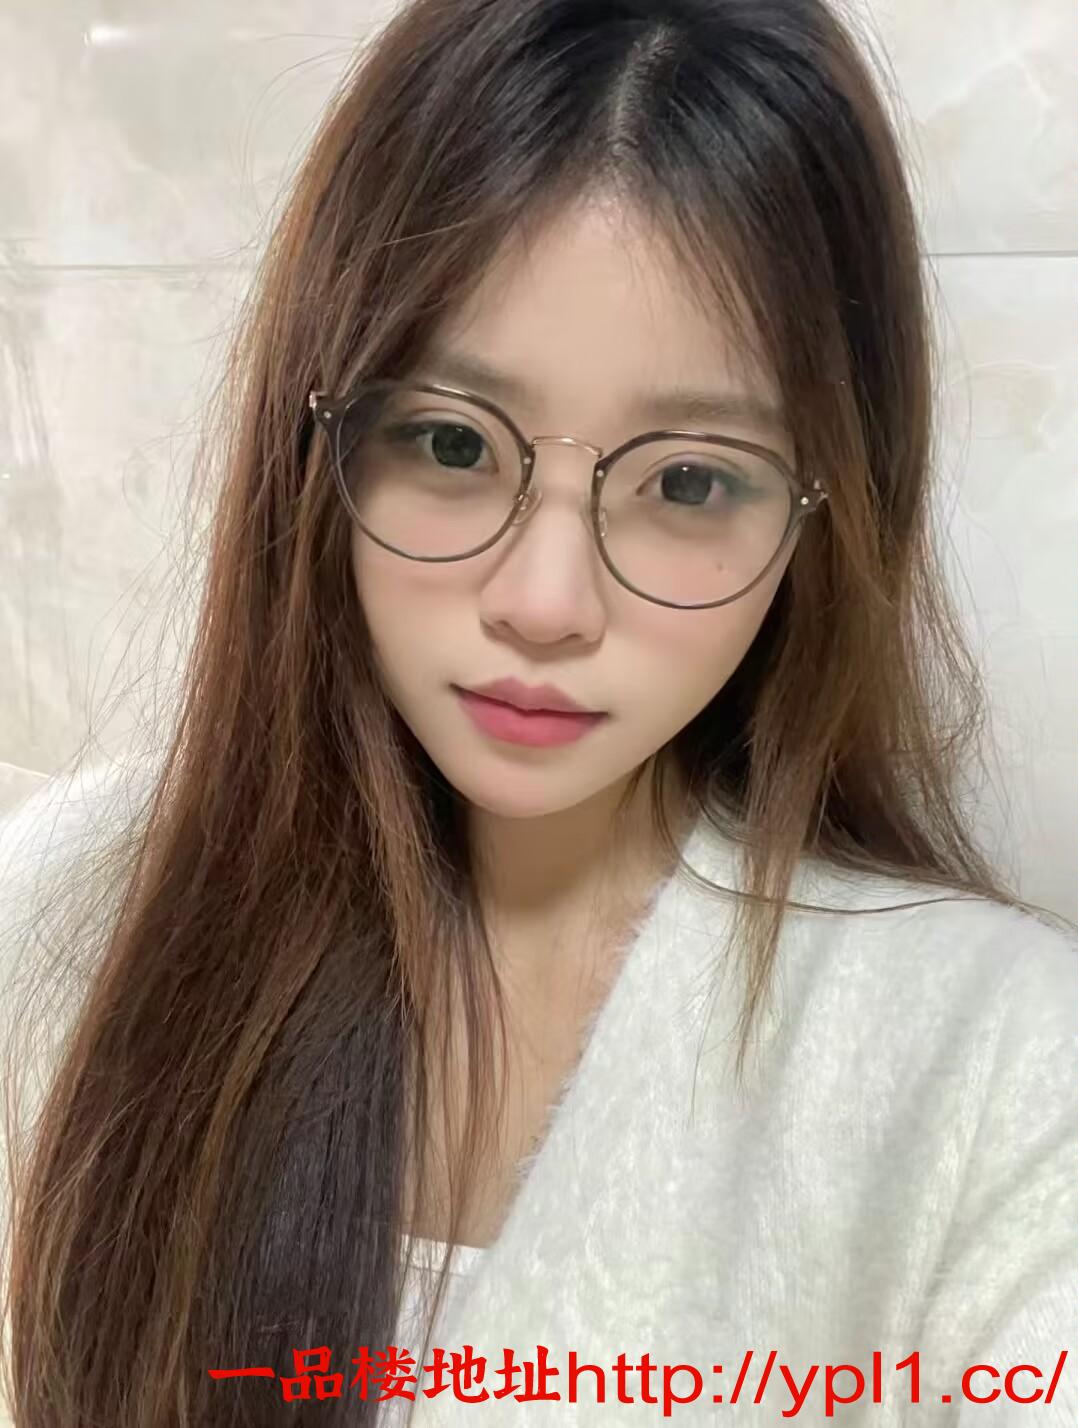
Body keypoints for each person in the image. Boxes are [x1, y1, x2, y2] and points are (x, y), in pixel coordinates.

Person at [1, 0, 1075, 1424]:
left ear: (824, 508)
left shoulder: (997, 1070)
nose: (545, 599)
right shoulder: (73, 915)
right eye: (452, 443)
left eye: (689, 480)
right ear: (318, 438)